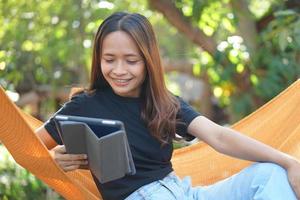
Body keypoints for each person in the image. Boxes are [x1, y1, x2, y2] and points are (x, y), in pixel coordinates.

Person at [35, 12, 300, 200]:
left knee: (269, 174)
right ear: (98, 59)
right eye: (109, 59)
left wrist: (288, 162)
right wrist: (52, 159)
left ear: (148, 61)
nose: (119, 70)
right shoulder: (85, 104)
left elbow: (219, 136)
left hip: (185, 193)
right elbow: (29, 147)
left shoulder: (164, 103)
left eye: (131, 60)